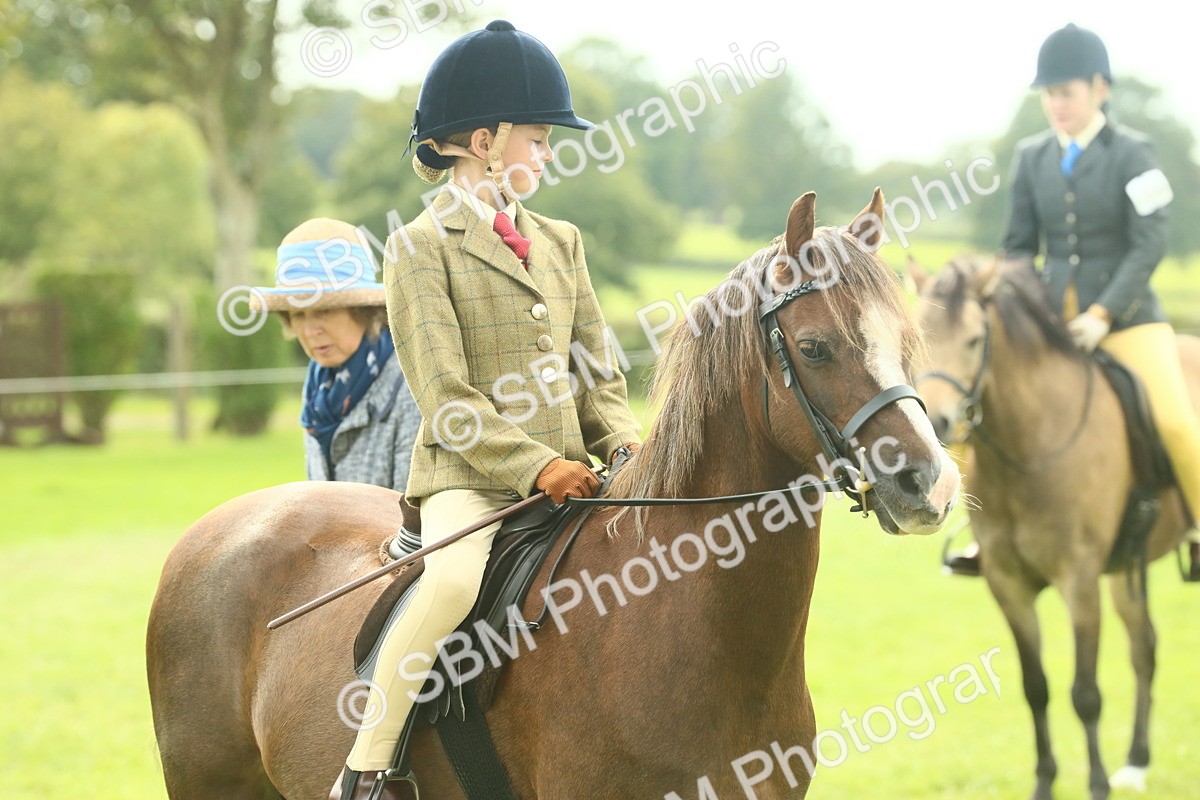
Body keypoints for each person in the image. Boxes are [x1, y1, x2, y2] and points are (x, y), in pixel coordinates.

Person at [330, 21, 642, 799]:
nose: (545, 155)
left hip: (580, 473)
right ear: (483, 140)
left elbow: (597, 368)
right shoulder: (418, 247)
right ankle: (366, 769)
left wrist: (627, 446)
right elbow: (447, 399)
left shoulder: (562, 241)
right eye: (537, 139)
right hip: (470, 476)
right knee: (448, 585)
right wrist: (538, 464)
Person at [948, 22, 1200, 578]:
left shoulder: (1136, 152)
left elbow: (1150, 240)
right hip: (1051, 323)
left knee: (1178, 421)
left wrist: (1103, 313)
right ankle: (981, 534)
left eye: (1066, 92)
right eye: (1048, 94)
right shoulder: (1031, 156)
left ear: (1099, 89)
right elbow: (1017, 248)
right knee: (979, 409)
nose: (1055, 104)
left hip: (1131, 319)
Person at [253, 217, 420, 490]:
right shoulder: (319, 390)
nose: (309, 330)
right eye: (297, 314)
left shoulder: (410, 385)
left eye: (325, 311)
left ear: (364, 312)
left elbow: (412, 516)